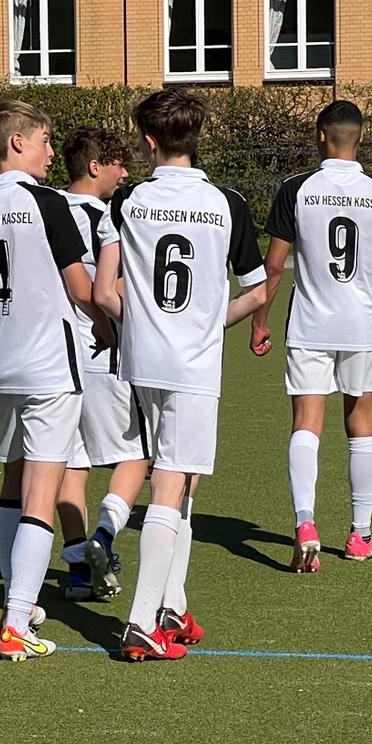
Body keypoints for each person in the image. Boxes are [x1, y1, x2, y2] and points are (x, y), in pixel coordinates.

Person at [93, 89, 265, 662]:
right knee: (172, 481)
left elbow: (104, 291)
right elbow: (258, 290)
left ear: (149, 142)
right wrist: (211, 324)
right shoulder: (226, 203)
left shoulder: (129, 200)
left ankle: (171, 604)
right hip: (194, 363)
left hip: (142, 360)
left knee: (180, 478)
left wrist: (142, 322)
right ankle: (140, 622)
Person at [0, 101, 104, 661]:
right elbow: (82, 289)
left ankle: (18, 600)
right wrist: (115, 323)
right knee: (41, 488)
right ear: (17, 142)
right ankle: (16, 620)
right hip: (48, 365)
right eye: (44, 140)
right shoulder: (47, 202)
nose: (50, 153)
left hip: (0, 365)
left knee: (13, 481)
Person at [252, 101, 372, 571]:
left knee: (307, 422)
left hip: (309, 324)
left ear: (321, 135)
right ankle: (361, 535)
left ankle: (305, 523)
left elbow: (274, 265)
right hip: (361, 324)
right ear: (360, 137)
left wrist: (260, 322)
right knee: (362, 421)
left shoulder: (296, 189)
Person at [55, 128, 148, 602]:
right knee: (137, 456)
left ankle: (77, 574)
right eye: (118, 164)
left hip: (52, 358)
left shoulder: (45, 208)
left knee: (71, 465)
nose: (125, 173)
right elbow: (107, 289)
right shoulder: (106, 218)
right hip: (99, 350)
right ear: (95, 167)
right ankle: (105, 538)